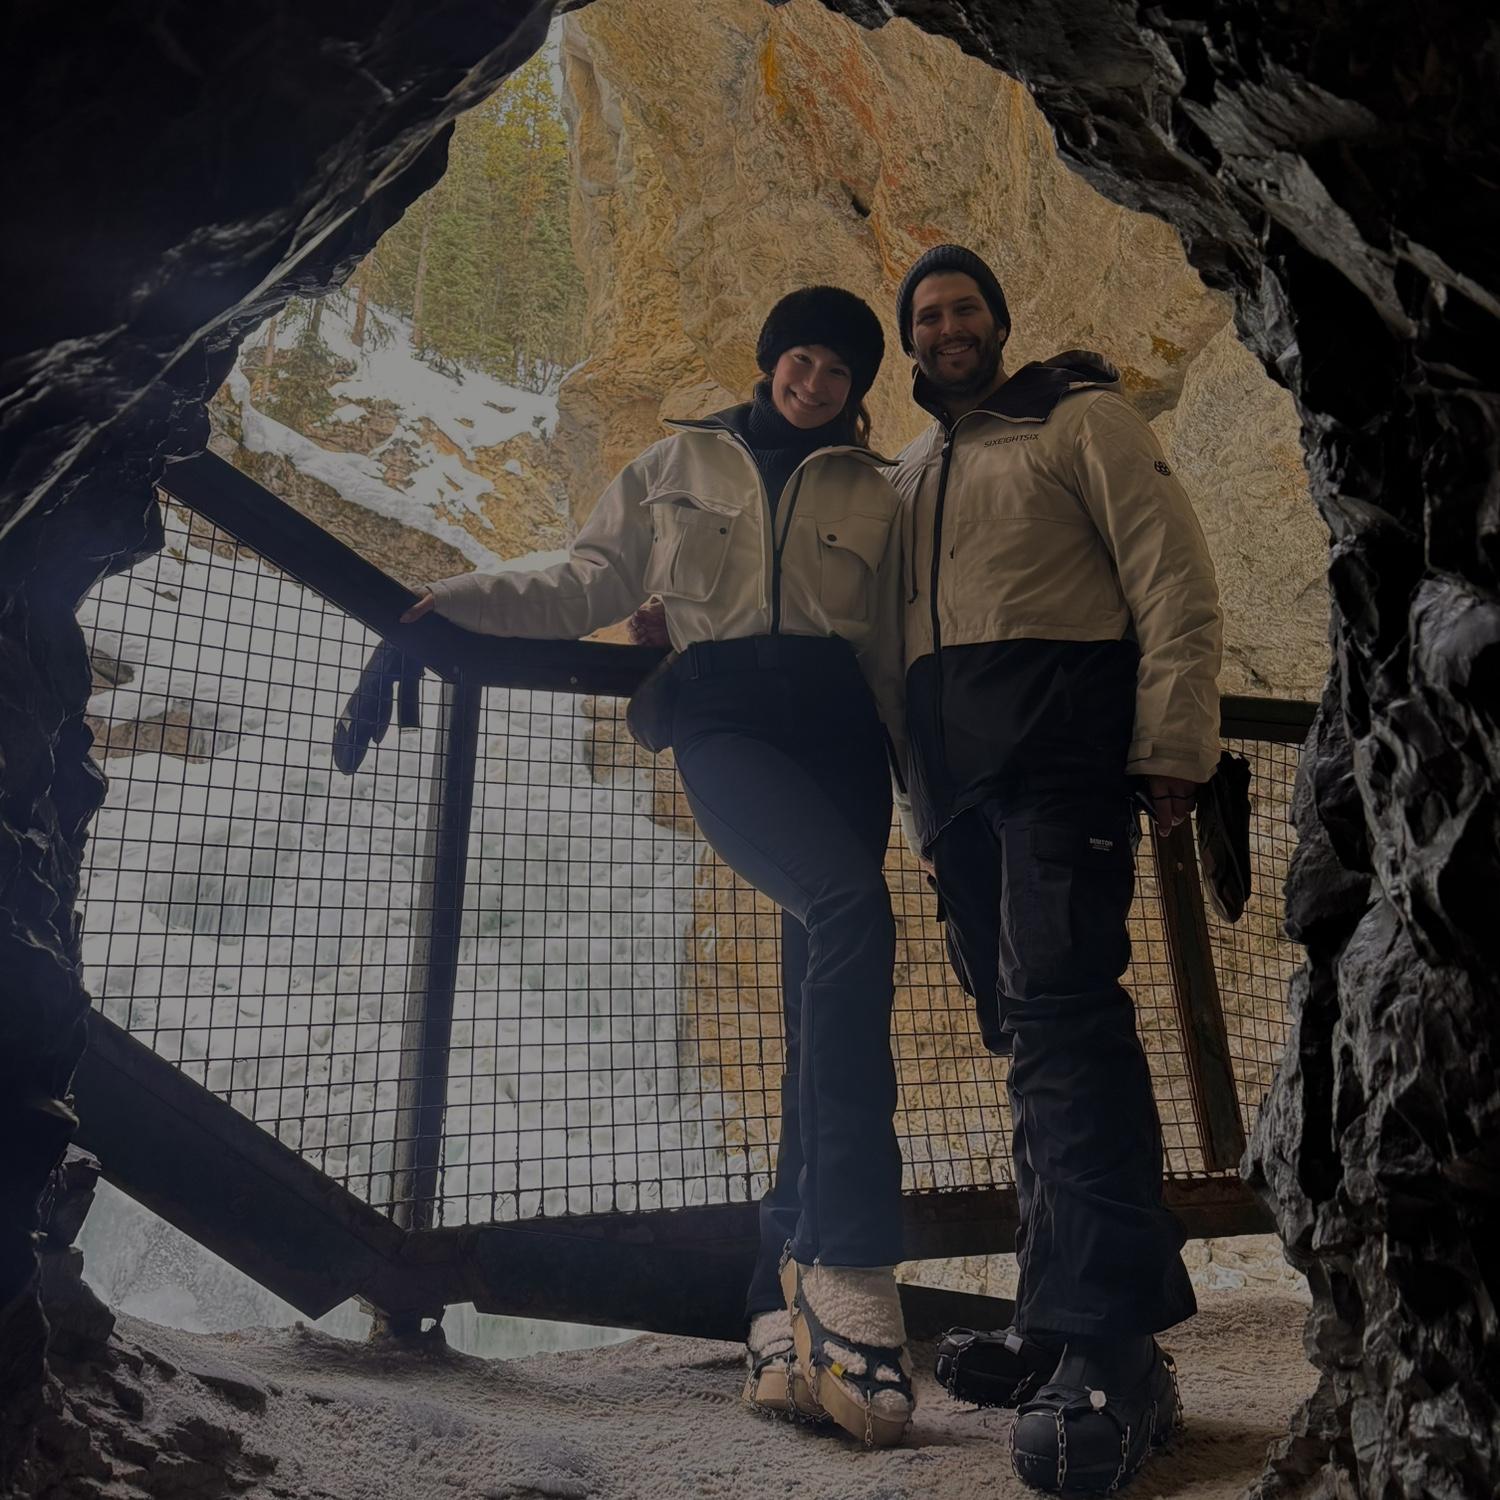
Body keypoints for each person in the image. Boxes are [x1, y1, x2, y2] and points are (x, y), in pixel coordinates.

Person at [402, 287, 916, 1447]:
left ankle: (770, 1303)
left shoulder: (874, 491)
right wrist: (462, 602)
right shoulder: (679, 459)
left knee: (818, 997)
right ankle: (845, 1249)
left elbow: (887, 650)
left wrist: (919, 792)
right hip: (725, 721)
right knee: (847, 911)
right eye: (803, 357)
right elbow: (590, 577)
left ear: (856, 388)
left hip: (839, 739)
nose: (816, 379)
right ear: (771, 357)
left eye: (840, 368)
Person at [889, 245, 1222, 1493]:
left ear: (1000, 319)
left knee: (1069, 1028)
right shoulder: (911, 472)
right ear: (911, 345)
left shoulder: (1078, 418)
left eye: (966, 304)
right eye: (927, 315)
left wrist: (1174, 742)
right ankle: (1053, 1312)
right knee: (1028, 1040)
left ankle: (1115, 1349)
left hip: (1059, 767)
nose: (949, 325)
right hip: (957, 799)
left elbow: (1171, 575)